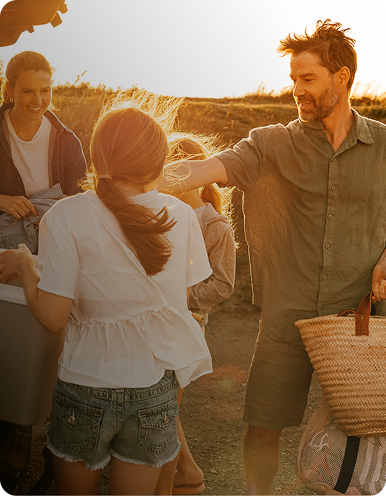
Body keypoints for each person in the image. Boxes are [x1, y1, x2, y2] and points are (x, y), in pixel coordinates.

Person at [158, 19, 386, 495]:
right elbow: (209, 167)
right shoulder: (270, 142)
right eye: (292, 80)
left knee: (369, 426)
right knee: (262, 425)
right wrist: (139, 174)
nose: (297, 90)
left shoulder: (384, 145)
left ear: (342, 78)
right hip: (287, 316)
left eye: (308, 79)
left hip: (359, 318)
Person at [0, 99, 213, 495]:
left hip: (85, 385)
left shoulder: (65, 216)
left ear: (97, 155)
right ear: (158, 160)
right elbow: (172, 305)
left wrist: (26, 265)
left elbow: (51, 316)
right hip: (154, 389)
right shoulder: (180, 215)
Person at [165, 133, 236, 495]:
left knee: (164, 407)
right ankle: (180, 474)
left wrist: (182, 295)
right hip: (159, 321)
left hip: (187, 323)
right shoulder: (161, 213)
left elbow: (222, 285)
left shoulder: (215, 225)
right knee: (161, 406)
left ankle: (185, 474)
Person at [0, 51, 86, 220]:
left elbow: (80, 202)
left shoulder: (68, 142)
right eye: (28, 91)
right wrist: (1, 200)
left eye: (45, 90)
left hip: (55, 236)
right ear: (10, 89)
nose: (38, 100)